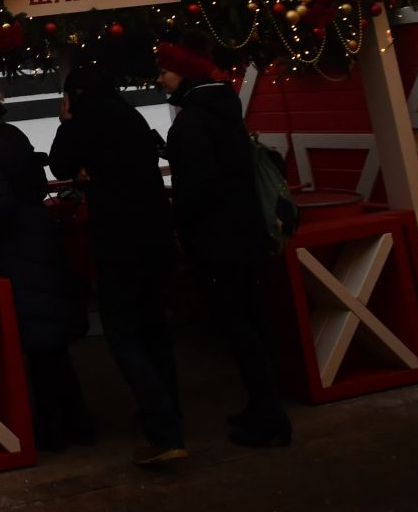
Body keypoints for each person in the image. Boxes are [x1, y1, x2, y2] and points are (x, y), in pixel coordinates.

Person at [157, 35, 292, 448]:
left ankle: (268, 416)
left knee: (238, 327)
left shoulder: (192, 122)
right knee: (249, 320)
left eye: (164, 69)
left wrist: (182, 229)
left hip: (217, 241)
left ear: (184, 72)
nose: (160, 78)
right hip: (244, 232)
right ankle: (263, 405)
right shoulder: (224, 111)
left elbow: (195, 188)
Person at [51, 64, 185, 466]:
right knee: (155, 328)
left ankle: (164, 431)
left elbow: (59, 164)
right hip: (157, 236)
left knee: (122, 330)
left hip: (119, 241)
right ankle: (166, 416)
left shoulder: (84, 120)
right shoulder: (130, 115)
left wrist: (65, 123)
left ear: (75, 94)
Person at [0, 85, 94, 451]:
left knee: (37, 345)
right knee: (52, 349)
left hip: (14, 253)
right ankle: (76, 423)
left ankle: (51, 429)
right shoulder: (13, 135)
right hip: (38, 241)